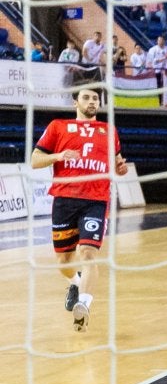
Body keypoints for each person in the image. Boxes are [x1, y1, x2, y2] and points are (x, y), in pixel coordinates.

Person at [30, 86, 130, 331]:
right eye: (86, 97)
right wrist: (59, 156)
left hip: (96, 199)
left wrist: (120, 169)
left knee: (87, 253)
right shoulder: (58, 126)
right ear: (75, 101)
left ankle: (83, 306)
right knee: (63, 260)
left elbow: (117, 162)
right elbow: (34, 160)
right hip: (64, 199)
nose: (92, 101)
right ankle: (75, 283)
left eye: (96, 98)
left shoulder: (109, 131)